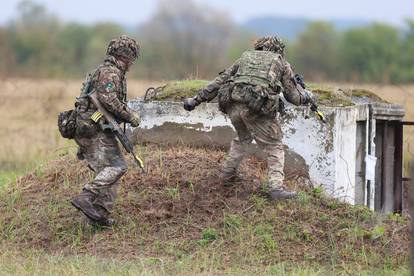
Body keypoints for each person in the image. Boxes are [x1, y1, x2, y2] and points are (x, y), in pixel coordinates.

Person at [184, 36, 317, 201]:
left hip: (232, 106)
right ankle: (276, 189)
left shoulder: (245, 58)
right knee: (274, 145)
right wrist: (309, 97)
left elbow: (219, 81)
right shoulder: (280, 62)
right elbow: (294, 97)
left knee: (243, 140)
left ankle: (227, 175)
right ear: (278, 49)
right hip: (256, 109)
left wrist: (195, 100)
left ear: (259, 47)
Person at [70, 35, 141, 226]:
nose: (131, 64)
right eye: (131, 59)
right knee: (118, 167)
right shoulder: (110, 72)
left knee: (110, 174)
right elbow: (108, 99)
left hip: (92, 128)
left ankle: (98, 216)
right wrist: (130, 116)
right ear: (126, 57)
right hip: (94, 128)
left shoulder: (105, 70)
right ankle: (86, 196)